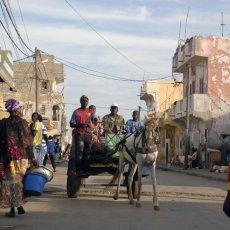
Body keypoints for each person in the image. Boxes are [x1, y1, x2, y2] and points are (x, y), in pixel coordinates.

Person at [0, 99, 36, 217]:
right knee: (19, 181)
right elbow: (28, 142)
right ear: (16, 109)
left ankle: (12, 210)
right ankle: (19, 206)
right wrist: (33, 158)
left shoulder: (3, 123)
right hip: (23, 157)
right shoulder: (23, 123)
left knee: (9, 182)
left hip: (8, 157)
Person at [69, 95, 95, 176]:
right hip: (79, 134)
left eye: (86, 101)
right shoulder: (76, 112)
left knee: (87, 153)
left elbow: (93, 122)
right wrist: (80, 126)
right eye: (83, 101)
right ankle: (79, 171)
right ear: (80, 102)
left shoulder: (90, 112)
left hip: (88, 135)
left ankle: (86, 170)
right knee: (80, 152)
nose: (85, 102)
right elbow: (71, 124)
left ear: (88, 102)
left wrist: (92, 126)